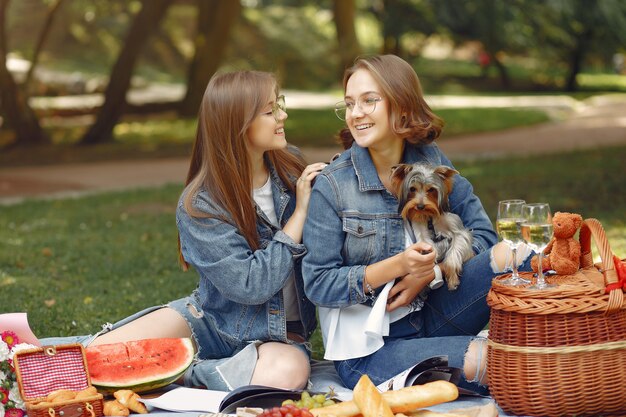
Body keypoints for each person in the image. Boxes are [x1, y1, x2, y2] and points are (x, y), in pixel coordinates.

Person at [41, 70, 327, 391]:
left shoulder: (292, 169)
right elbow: (250, 285)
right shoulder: (201, 204)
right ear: (239, 122)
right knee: (90, 357)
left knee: (287, 375)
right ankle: (13, 352)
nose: (283, 114)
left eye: (280, 104)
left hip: (279, 336)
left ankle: (180, 372)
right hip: (207, 323)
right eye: (271, 109)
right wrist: (299, 214)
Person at [301, 54, 532, 393]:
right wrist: (397, 267)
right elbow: (318, 283)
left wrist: (432, 272)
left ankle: (582, 347)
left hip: (435, 311)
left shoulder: (429, 160)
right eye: (350, 104)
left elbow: (482, 233)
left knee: (517, 251)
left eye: (369, 101)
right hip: (371, 349)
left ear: (402, 107)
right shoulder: (334, 185)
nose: (356, 113)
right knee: (494, 362)